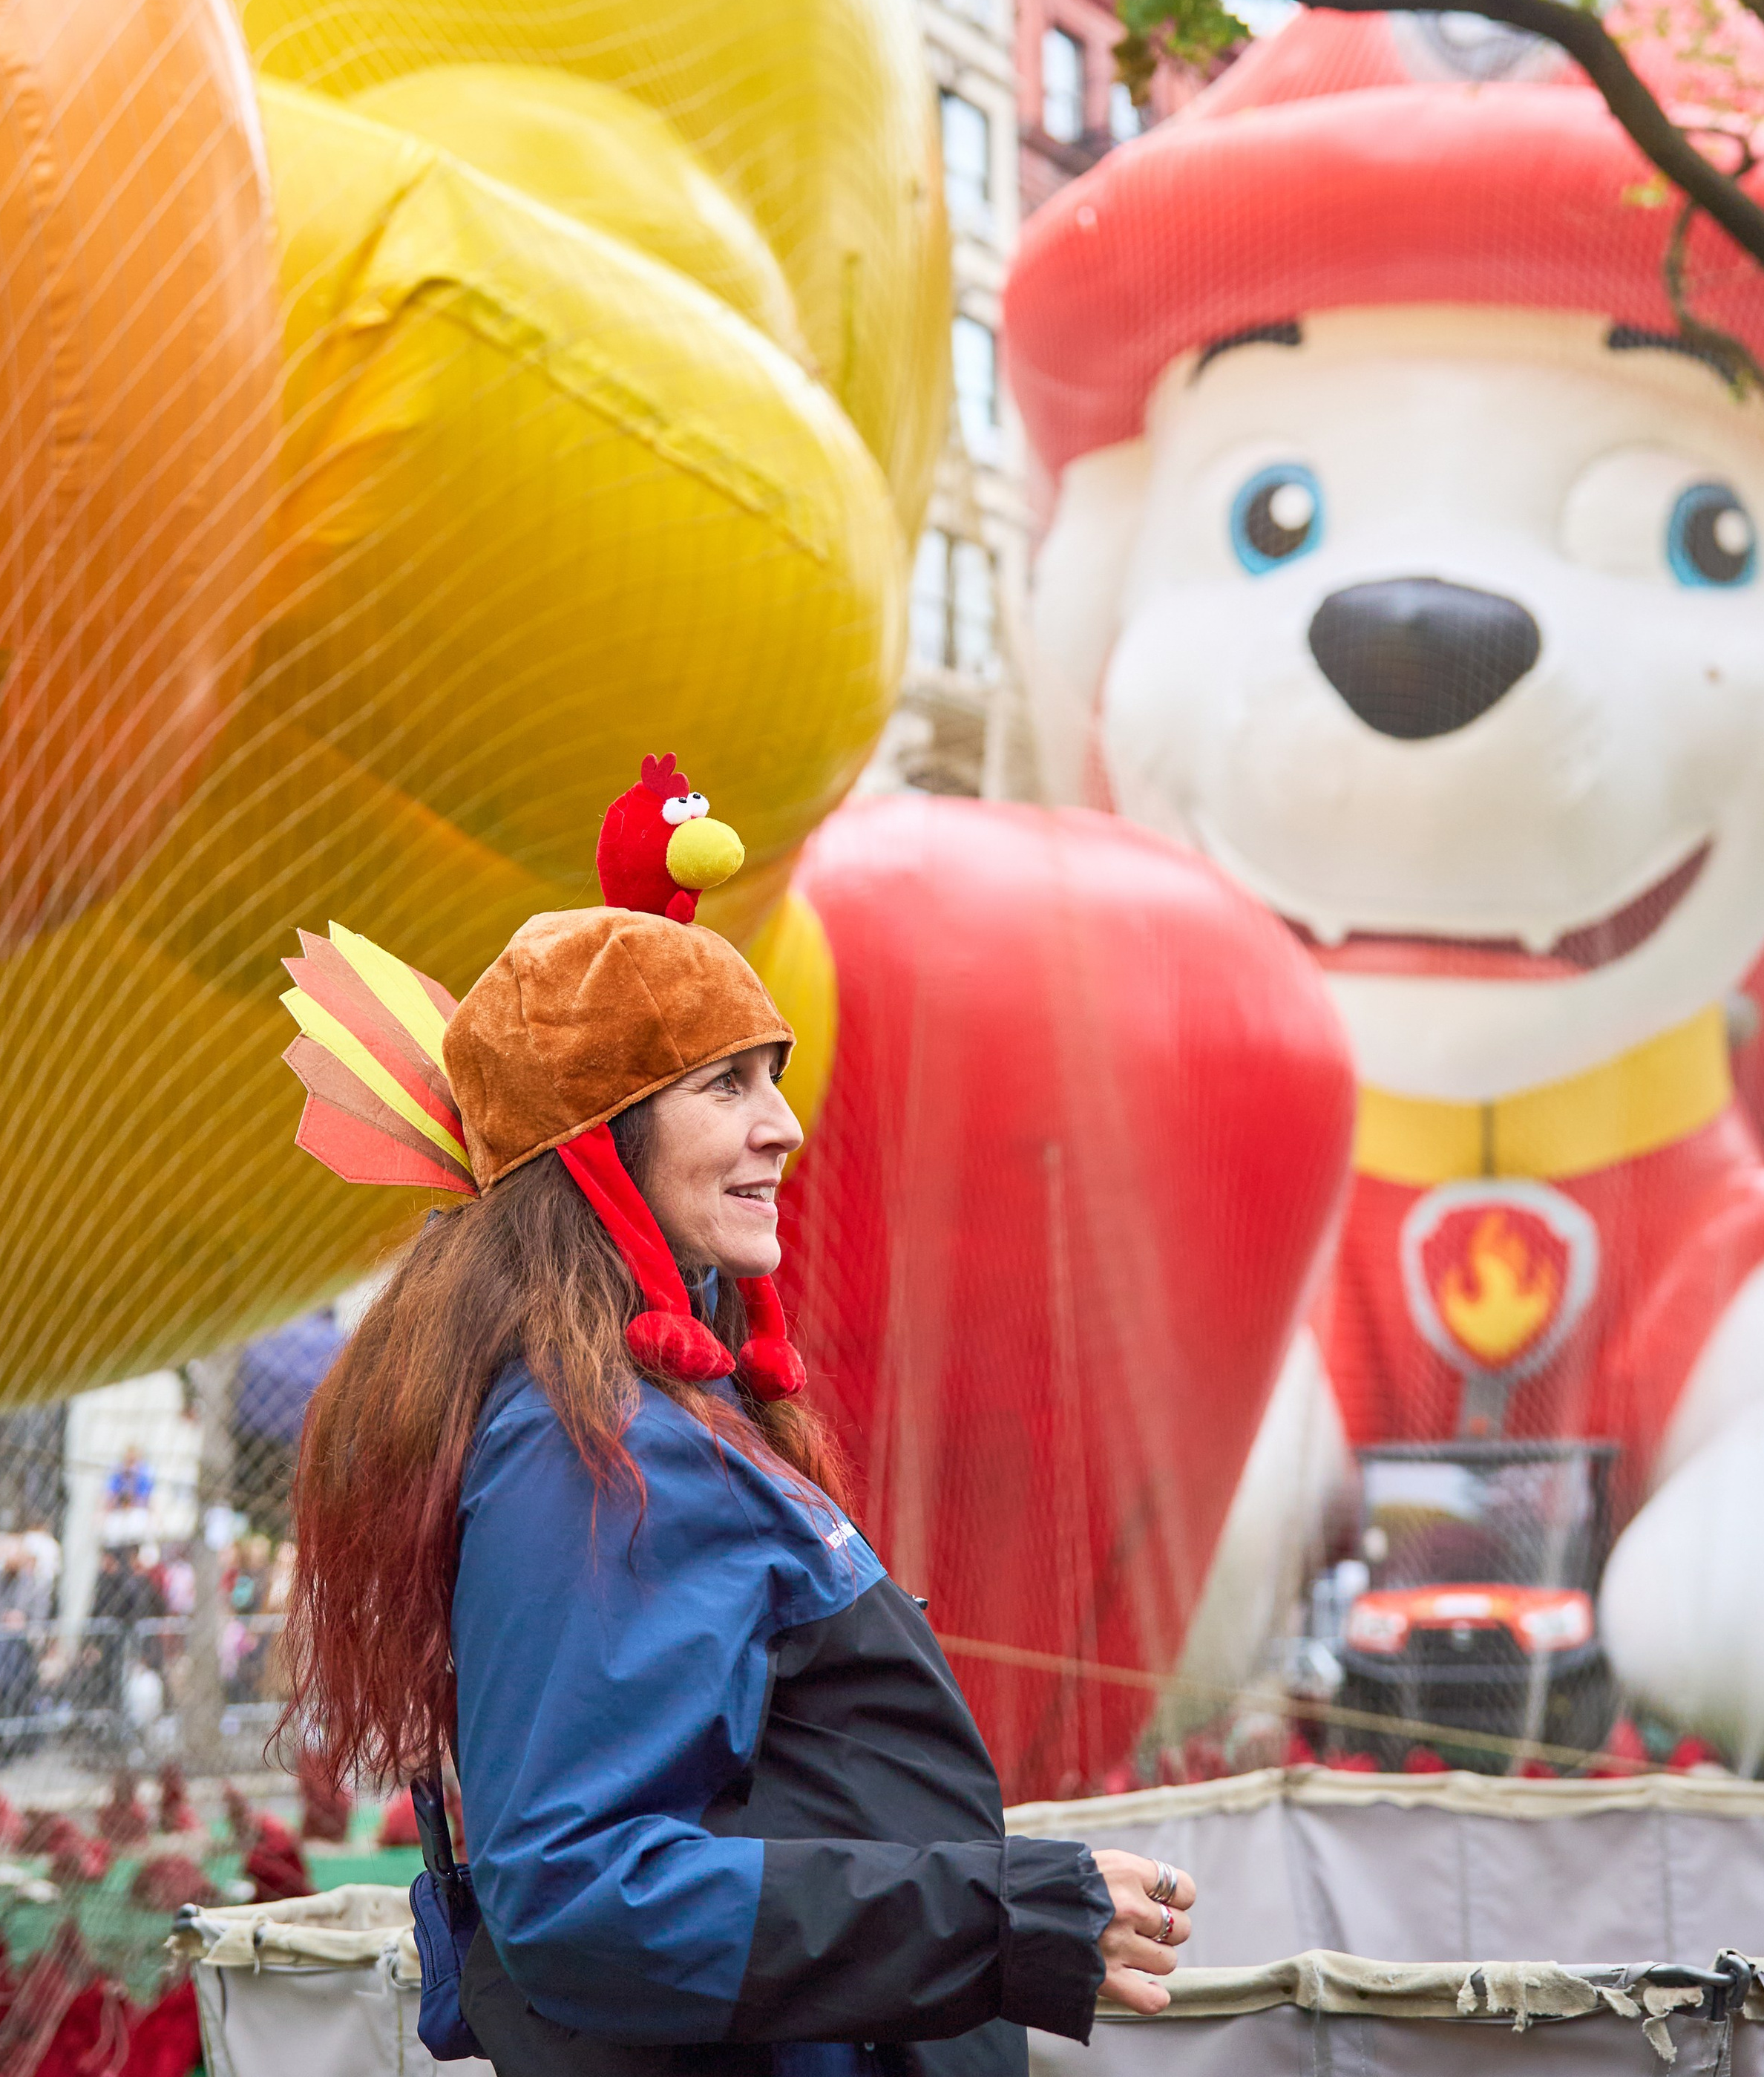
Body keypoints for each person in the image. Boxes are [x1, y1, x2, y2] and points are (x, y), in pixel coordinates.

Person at [283, 881, 1196, 2077]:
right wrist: (1005, 1912)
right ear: (599, 1138)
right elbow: (580, 1892)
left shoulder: (634, 1413)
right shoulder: (590, 1444)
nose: (784, 1126)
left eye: (773, 1076)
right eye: (726, 1084)